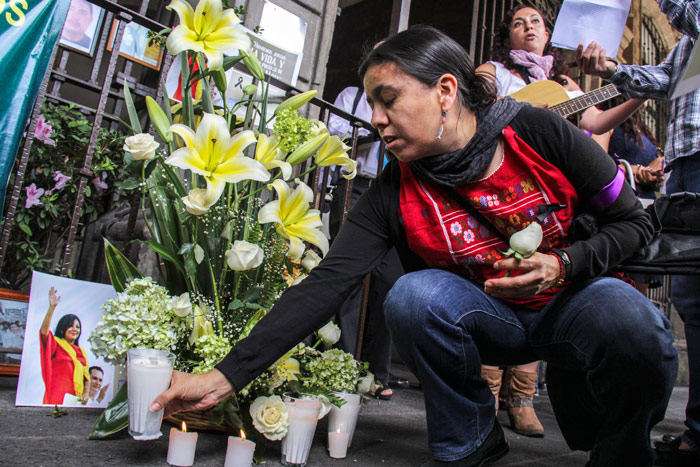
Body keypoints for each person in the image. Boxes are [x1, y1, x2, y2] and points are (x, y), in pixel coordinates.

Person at [152, 26, 677, 466]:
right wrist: (224, 376)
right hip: (488, 321)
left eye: (389, 100)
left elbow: (635, 223)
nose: (376, 118)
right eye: (373, 104)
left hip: (572, 306)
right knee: (412, 295)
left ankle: (622, 452)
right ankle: (469, 442)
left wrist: (564, 263)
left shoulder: (536, 131)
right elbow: (327, 283)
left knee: (634, 323)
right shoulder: (392, 190)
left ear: (445, 91)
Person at [577, 1, 700, 465]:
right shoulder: (689, 41)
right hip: (684, 162)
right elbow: (667, 81)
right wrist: (613, 68)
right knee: (691, 300)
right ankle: (696, 435)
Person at [475, 4, 646, 152]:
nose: (529, 26)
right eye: (518, 24)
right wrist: (522, 109)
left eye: (535, 21)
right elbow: (471, 100)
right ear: (507, 41)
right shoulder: (494, 70)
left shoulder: (563, 83)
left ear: (546, 36)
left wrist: (642, 95)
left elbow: (597, 122)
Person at [327, 82, 404, 400]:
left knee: (390, 280)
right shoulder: (351, 96)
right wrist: (374, 131)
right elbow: (336, 136)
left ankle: (376, 373)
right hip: (356, 184)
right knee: (351, 279)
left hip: (395, 189)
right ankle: (344, 368)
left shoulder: (409, 98)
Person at [39, 287, 90, 405]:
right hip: (56, 396)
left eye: (77, 327)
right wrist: (51, 308)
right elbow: (44, 333)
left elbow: (86, 378)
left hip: (75, 399)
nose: (74, 329)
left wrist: (86, 394)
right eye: (70, 326)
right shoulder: (56, 344)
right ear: (63, 328)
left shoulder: (81, 352)